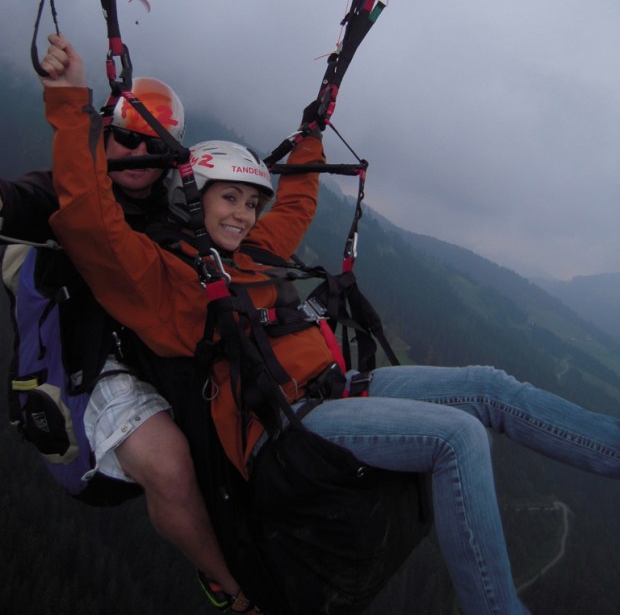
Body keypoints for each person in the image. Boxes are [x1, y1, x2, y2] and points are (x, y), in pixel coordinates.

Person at [39, 35, 619, 615]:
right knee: (457, 437)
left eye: (249, 202)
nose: (243, 214)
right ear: (192, 198)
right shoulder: (161, 281)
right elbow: (93, 224)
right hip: (288, 425)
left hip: (339, 388)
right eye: (229, 199)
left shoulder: (252, 251)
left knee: (490, 389)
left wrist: (312, 129)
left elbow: (294, 202)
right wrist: (70, 105)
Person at [1, 62, 256, 612]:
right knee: (167, 462)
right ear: (102, 134)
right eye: (125, 139)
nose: (139, 155)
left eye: (154, 144)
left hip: (166, 358)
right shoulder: (62, 195)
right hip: (89, 371)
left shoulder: (176, 207)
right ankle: (230, 590)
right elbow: (19, 202)